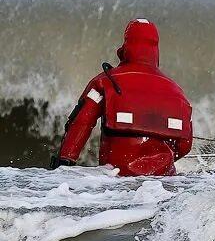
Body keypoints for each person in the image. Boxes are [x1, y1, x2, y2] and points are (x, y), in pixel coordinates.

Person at [51, 18, 193, 177]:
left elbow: (81, 122)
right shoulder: (177, 92)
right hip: (162, 184)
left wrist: (64, 163)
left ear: (127, 45)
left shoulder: (105, 82)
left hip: (117, 180)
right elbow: (185, 145)